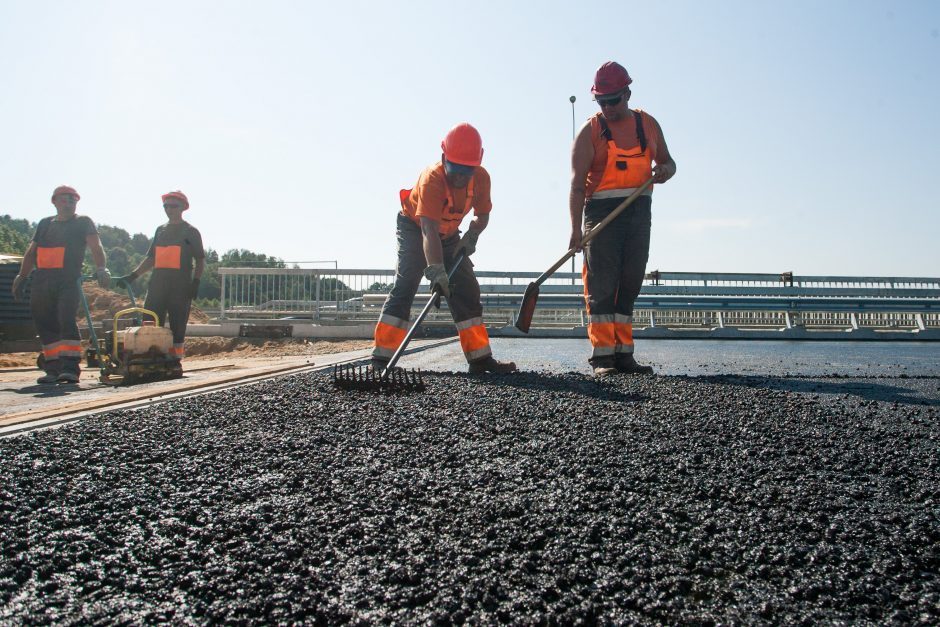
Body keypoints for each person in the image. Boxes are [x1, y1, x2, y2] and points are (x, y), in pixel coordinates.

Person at [372, 123, 516, 374]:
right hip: (415, 228)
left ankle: (480, 359)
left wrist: (471, 236)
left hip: (449, 235)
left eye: (467, 171)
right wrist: (437, 271)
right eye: (456, 169)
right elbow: (428, 231)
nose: (461, 177)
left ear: (477, 165)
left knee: (467, 288)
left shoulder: (481, 179)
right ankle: (381, 359)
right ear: (443, 158)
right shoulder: (432, 179)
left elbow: (482, 216)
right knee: (406, 284)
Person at [569, 61, 677, 377]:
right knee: (602, 285)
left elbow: (669, 162)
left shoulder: (648, 125)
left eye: (613, 100)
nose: (608, 107)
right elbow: (577, 186)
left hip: (638, 213)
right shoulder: (590, 132)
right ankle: (602, 358)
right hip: (602, 216)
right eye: (601, 101)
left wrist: (666, 171)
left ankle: (623, 354)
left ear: (627, 93)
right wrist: (575, 229)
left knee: (629, 283)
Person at [11, 186, 110, 384]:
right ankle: (53, 368)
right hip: (42, 280)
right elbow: (32, 252)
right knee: (44, 321)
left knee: (65, 319)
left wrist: (101, 268)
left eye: (72, 201)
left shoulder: (82, 222)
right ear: (54, 202)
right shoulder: (45, 224)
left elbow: (95, 245)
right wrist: (21, 276)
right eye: (64, 200)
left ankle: (70, 368)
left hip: (68, 280)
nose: (68, 204)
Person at [115, 191, 204, 372]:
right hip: (158, 284)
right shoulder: (160, 231)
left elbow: (200, 260)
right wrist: (133, 276)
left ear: (183, 208)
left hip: (180, 286)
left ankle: (174, 359)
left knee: (178, 323)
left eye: (173, 206)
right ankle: (152, 357)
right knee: (150, 320)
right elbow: (151, 259)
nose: (169, 209)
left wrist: (195, 282)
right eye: (166, 206)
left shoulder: (191, 232)